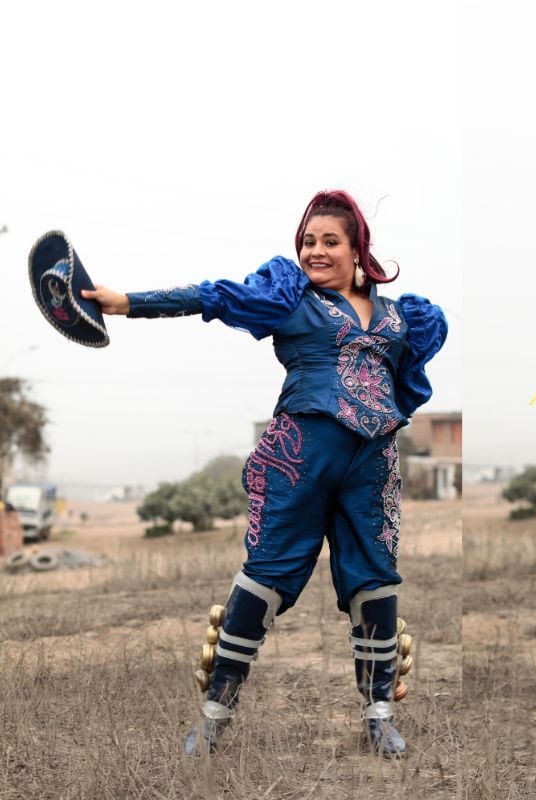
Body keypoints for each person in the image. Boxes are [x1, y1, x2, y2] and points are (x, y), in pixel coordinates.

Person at [82, 190, 447, 758]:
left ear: (358, 250)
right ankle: (213, 717)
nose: (315, 252)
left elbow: (407, 381)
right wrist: (126, 301)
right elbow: (213, 297)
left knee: (374, 578)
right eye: (308, 241)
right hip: (299, 455)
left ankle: (379, 715)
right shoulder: (290, 299)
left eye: (330, 241)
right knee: (267, 574)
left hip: (372, 465)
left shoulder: (406, 317)